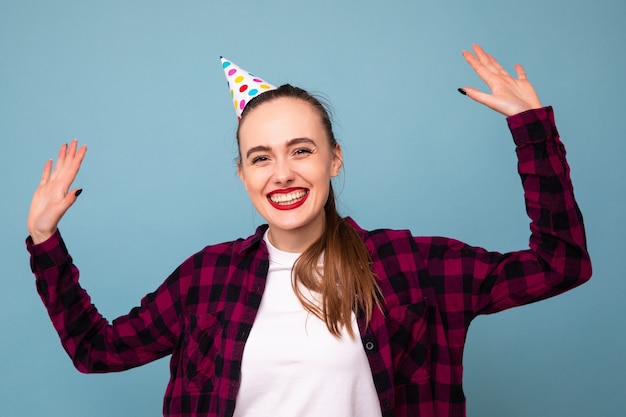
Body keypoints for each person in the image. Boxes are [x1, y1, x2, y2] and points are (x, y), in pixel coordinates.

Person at [26, 45, 592, 417]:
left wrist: (532, 133)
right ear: (243, 173)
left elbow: (560, 264)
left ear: (334, 160)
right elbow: (96, 351)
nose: (283, 174)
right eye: (261, 157)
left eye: (302, 150)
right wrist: (46, 243)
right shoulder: (207, 277)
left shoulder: (409, 266)